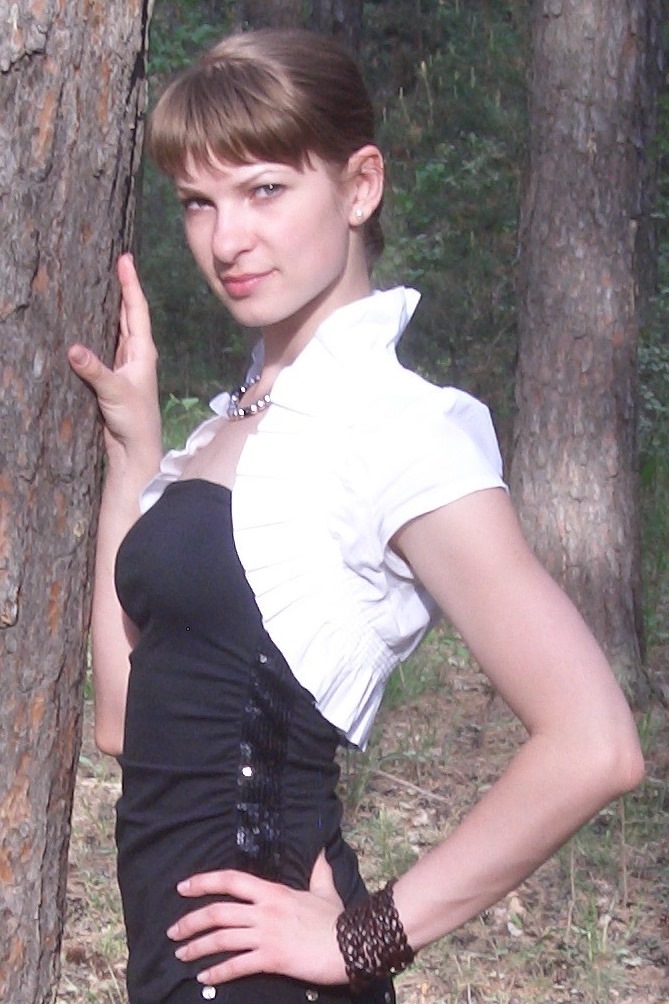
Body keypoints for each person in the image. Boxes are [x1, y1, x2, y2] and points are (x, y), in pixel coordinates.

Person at [68, 27, 644, 1004]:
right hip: (176, 970)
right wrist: (133, 451)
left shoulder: (401, 431)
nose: (226, 239)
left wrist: (361, 938)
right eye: (198, 202)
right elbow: (127, 724)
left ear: (360, 185)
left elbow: (594, 743)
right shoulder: (226, 429)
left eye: (264, 190)